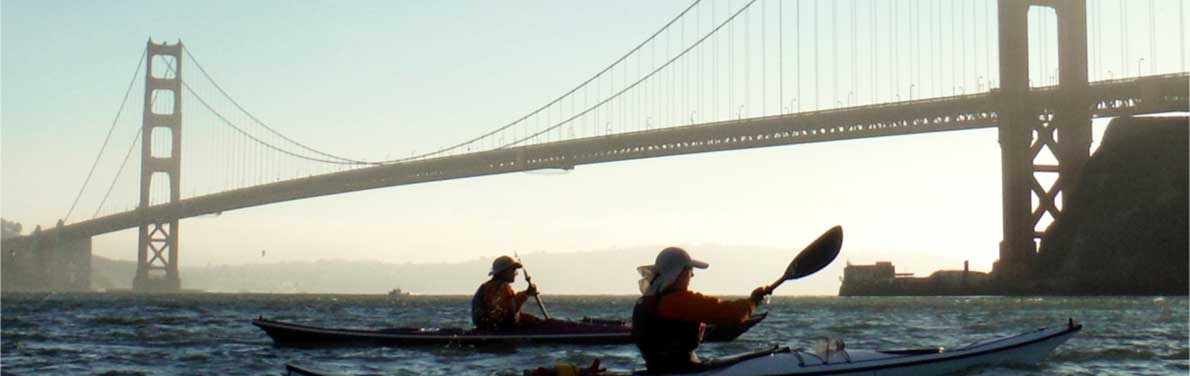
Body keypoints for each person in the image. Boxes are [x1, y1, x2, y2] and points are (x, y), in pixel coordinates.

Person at [631, 247, 768, 373]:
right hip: (683, 369)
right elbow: (733, 313)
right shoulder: (679, 301)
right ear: (679, 273)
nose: (692, 276)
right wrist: (753, 301)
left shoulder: (646, 302)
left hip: (657, 368)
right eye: (690, 271)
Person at [471, 255, 544, 331]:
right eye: (513, 270)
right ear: (504, 272)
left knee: (529, 319)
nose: (516, 274)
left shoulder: (492, 286)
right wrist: (527, 293)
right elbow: (510, 309)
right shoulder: (498, 287)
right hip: (494, 327)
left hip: (492, 324)